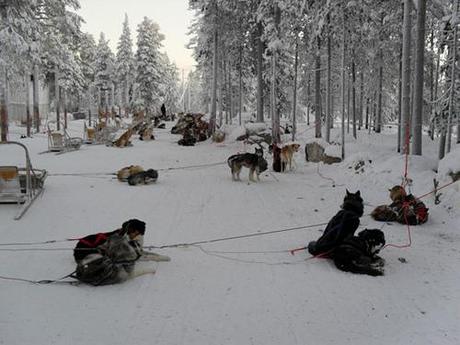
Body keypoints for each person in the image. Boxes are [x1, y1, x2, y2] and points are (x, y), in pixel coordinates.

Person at [307, 190, 364, 257]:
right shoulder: (355, 219)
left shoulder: (343, 215)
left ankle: (324, 246)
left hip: (327, 248)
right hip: (339, 247)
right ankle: (329, 247)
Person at [73, 219, 148, 262]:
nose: (137, 236)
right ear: (129, 230)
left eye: (138, 233)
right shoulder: (117, 238)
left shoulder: (122, 235)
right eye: (136, 233)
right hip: (83, 251)